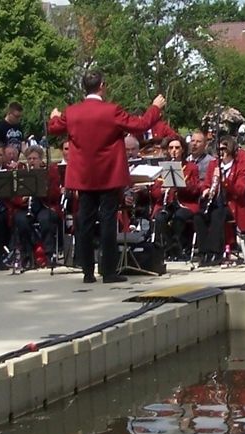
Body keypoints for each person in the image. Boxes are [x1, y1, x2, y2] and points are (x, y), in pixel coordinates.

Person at [47, 71, 166, 283]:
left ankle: (87, 272)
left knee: (84, 222)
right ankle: (109, 272)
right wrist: (155, 107)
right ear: (102, 85)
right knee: (108, 221)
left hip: (83, 176)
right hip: (109, 174)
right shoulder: (111, 110)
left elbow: (54, 128)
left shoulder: (73, 112)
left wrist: (55, 116)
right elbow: (139, 125)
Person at [195, 136, 245, 266]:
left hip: (233, 204)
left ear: (231, 149)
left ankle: (216, 253)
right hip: (215, 200)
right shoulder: (213, 164)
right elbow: (206, 183)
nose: (220, 152)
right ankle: (204, 252)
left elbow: (240, 190)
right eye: (218, 149)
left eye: (223, 148)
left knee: (218, 215)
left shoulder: (240, 166)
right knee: (199, 216)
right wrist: (206, 190)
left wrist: (224, 180)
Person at [149, 136, 202, 260]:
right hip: (166, 203)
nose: (174, 150)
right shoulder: (161, 168)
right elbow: (154, 192)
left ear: (183, 150)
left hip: (185, 203)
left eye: (177, 148)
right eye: (171, 148)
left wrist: (181, 185)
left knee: (179, 216)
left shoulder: (191, 167)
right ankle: (170, 248)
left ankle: (177, 248)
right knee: (159, 218)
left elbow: (195, 190)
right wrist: (162, 190)